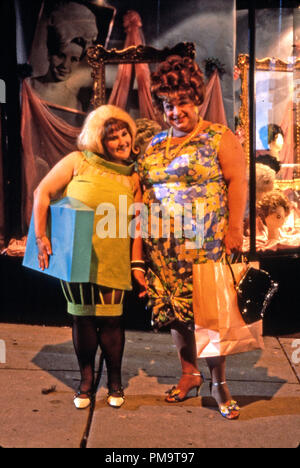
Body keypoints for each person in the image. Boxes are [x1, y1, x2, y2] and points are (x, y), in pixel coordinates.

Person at [137, 56, 247, 420]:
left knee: (210, 317)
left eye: (182, 102)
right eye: (169, 104)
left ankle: (219, 384)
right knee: (177, 314)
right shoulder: (152, 145)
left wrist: (234, 229)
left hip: (207, 246)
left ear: (196, 100)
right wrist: (139, 253)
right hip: (163, 252)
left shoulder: (218, 137)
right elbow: (142, 197)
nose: (175, 111)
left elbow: (237, 182)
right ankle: (189, 374)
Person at [33, 104, 147, 409]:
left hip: (114, 259)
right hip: (77, 257)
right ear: (99, 141)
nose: (122, 141)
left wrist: (137, 264)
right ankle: (85, 382)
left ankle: (114, 382)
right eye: (113, 138)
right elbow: (42, 192)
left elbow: (138, 223)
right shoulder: (77, 161)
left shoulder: (134, 177)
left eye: (125, 134)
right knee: (82, 319)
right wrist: (41, 236)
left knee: (111, 322)